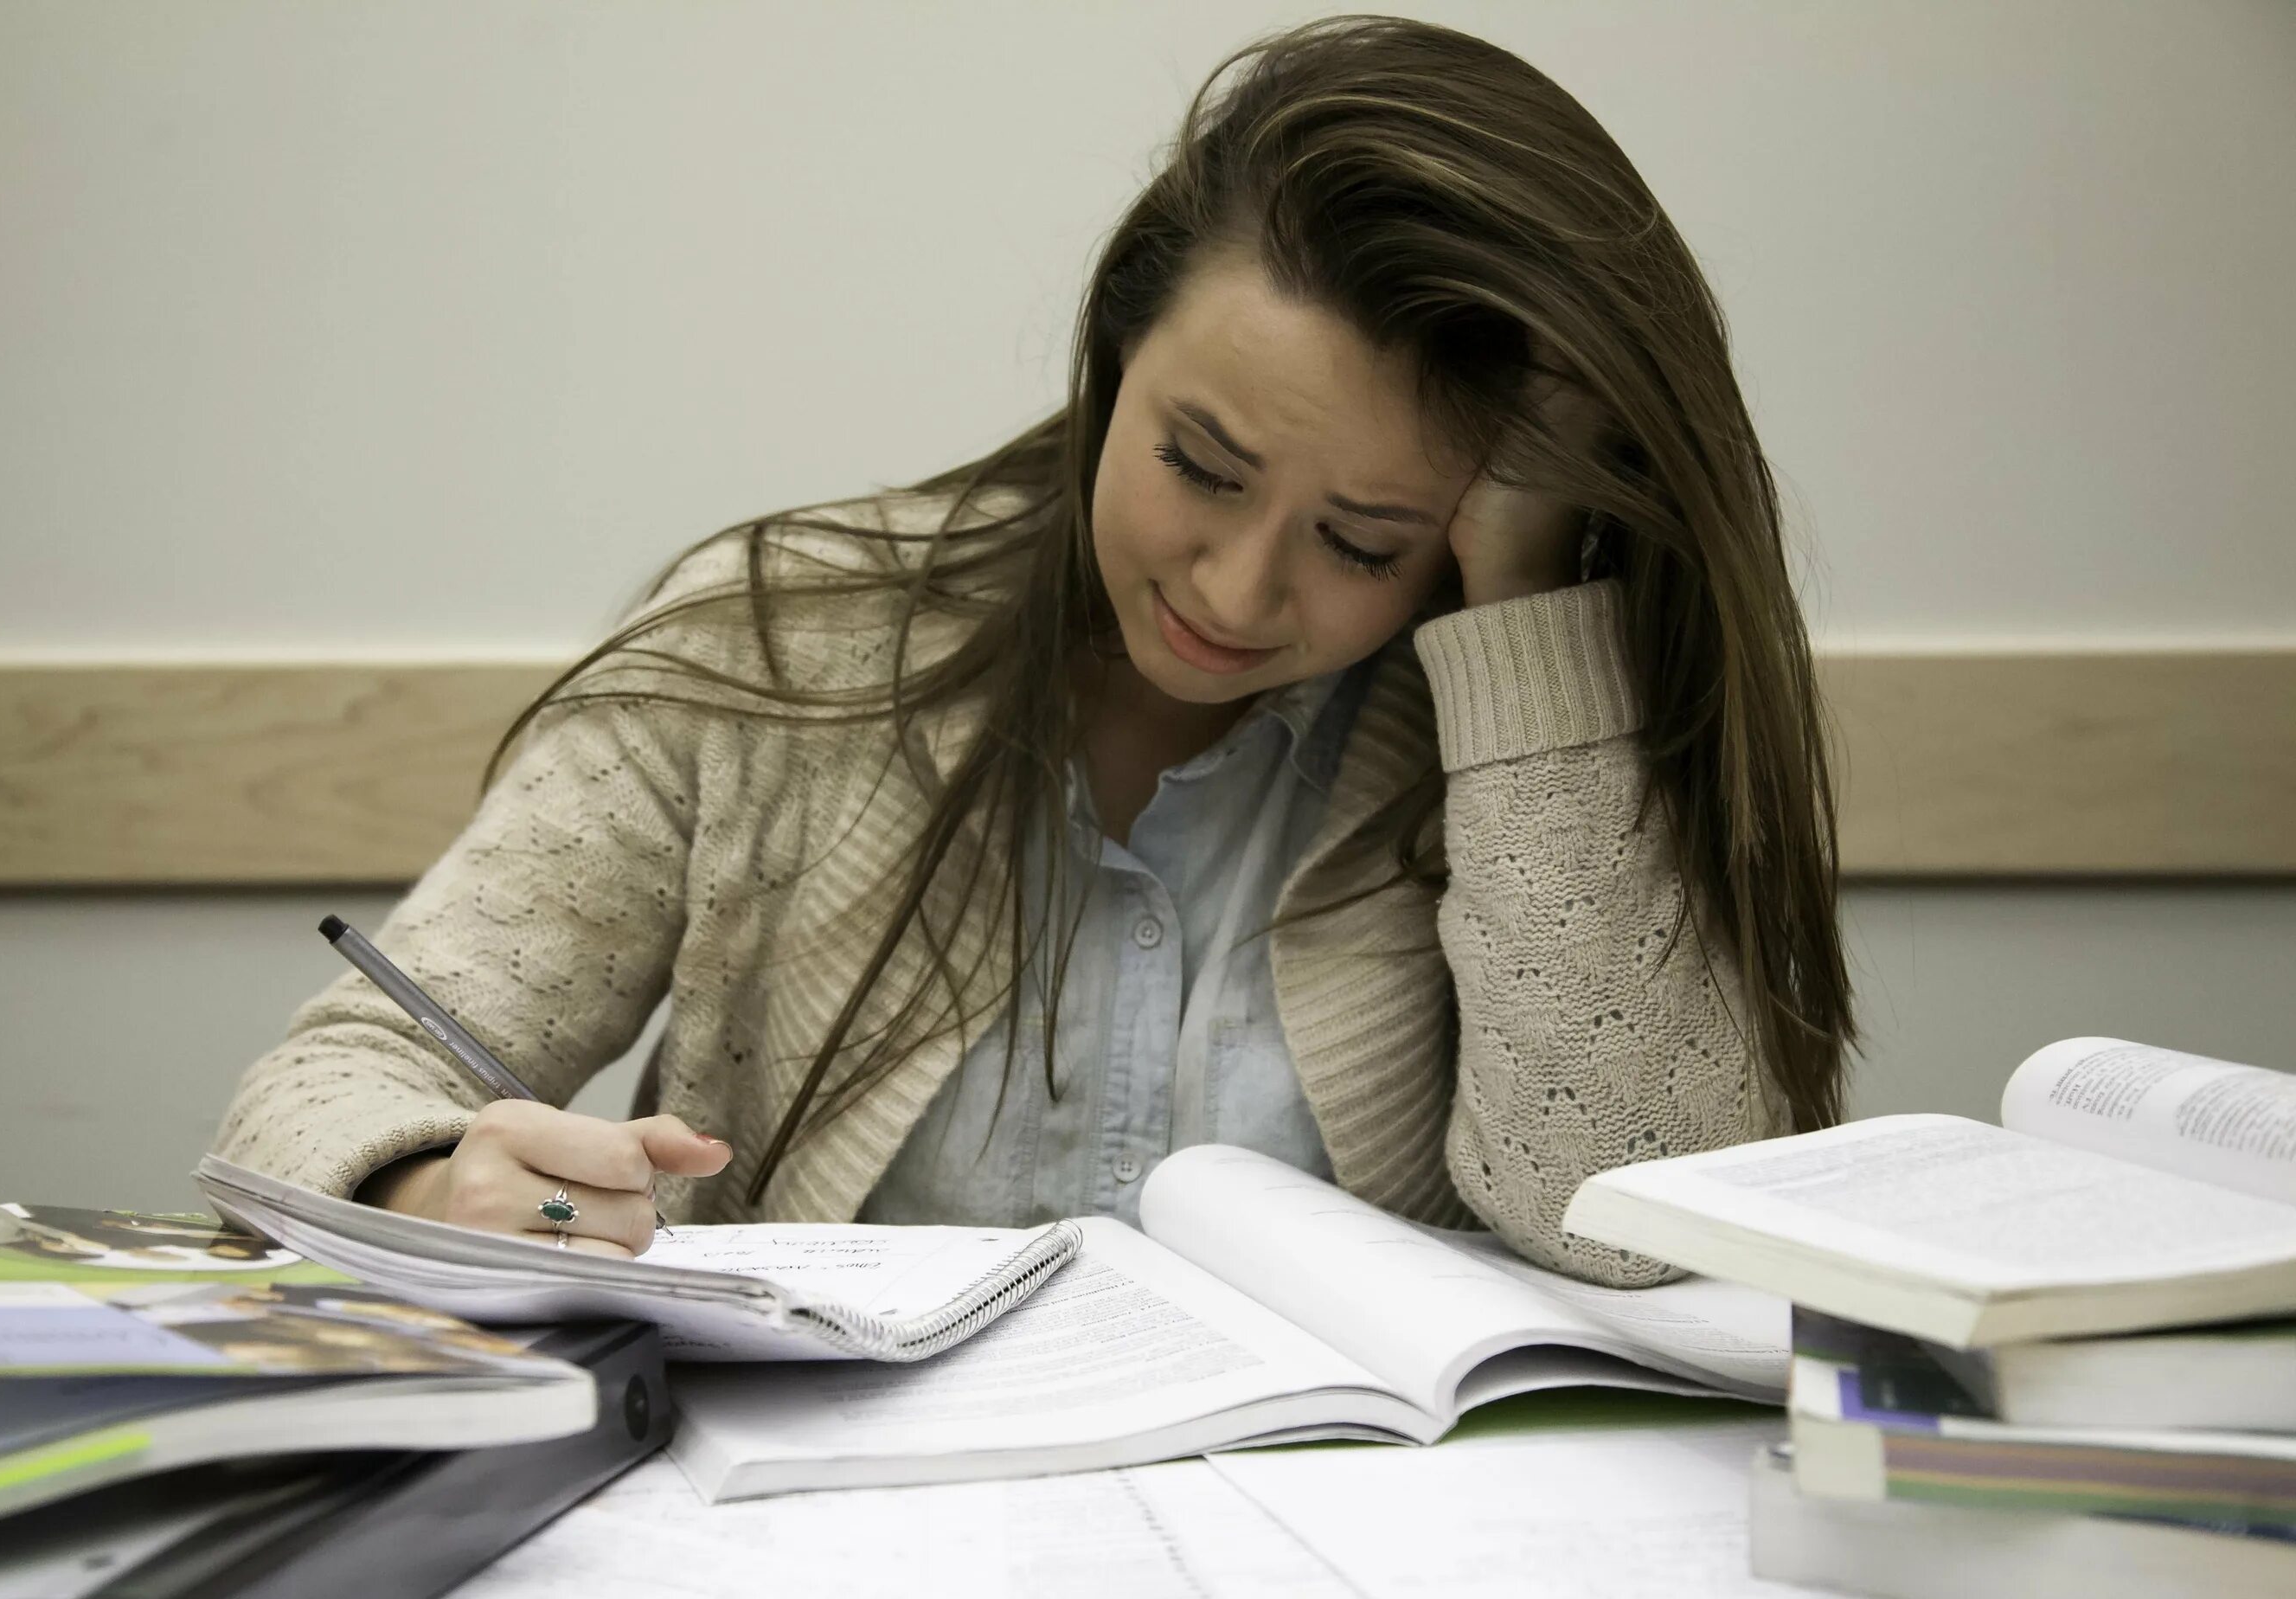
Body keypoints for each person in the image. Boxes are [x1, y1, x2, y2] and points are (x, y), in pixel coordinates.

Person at [211, 16, 1852, 1288]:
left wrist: (1526, 611)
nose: (1237, 586)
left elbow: (1647, 1228)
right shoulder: (783, 641)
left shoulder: (1506, 725)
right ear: (1113, 358)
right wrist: (439, 1184)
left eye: (1363, 540)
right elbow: (331, 1084)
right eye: (1200, 465)